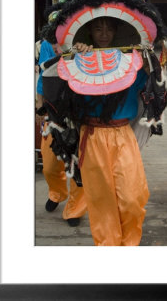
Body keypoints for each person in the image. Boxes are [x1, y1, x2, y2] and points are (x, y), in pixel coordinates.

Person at [72, 17, 150, 245]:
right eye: (97, 28)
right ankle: (109, 250)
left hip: (122, 133)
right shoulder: (78, 59)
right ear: (90, 32)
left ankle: (130, 243)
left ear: (116, 31)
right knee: (101, 201)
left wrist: (146, 61)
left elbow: (147, 82)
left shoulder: (130, 62)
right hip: (92, 134)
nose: (104, 33)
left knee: (133, 197)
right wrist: (78, 54)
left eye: (108, 28)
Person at [36, 39, 87, 227]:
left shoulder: (86, 40)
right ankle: (57, 192)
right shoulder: (47, 44)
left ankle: (76, 208)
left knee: (79, 164)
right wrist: (39, 104)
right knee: (49, 164)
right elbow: (43, 74)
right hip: (53, 110)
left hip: (81, 111)